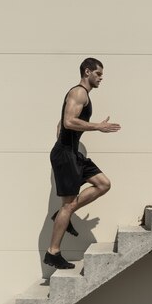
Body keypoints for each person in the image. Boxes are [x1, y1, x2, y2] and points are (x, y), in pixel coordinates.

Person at [45, 58, 121, 269]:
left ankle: (62, 214)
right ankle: (53, 252)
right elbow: (69, 121)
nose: (101, 78)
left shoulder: (82, 95)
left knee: (103, 183)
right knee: (68, 205)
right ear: (87, 72)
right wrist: (97, 127)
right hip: (65, 153)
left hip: (71, 152)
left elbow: (60, 123)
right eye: (98, 74)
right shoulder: (78, 92)